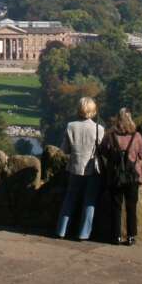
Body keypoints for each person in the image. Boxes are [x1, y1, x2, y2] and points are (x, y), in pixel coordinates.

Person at [55, 97, 105, 240]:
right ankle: (84, 233)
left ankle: (61, 230)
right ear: (93, 111)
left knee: (69, 198)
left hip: (75, 167)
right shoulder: (99, 129)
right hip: (91, 168)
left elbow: (64, 149)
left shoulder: (71, 126)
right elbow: (102, 150)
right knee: (89, 201)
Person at [101, 108, 142, 246]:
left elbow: (103, 150)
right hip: (132, 176)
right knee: (131, 206)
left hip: (115, 175)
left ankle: (116, 236)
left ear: (118, 118)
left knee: (116, 206)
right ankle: (131, 236)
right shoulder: (137, 136)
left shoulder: (110, 135)